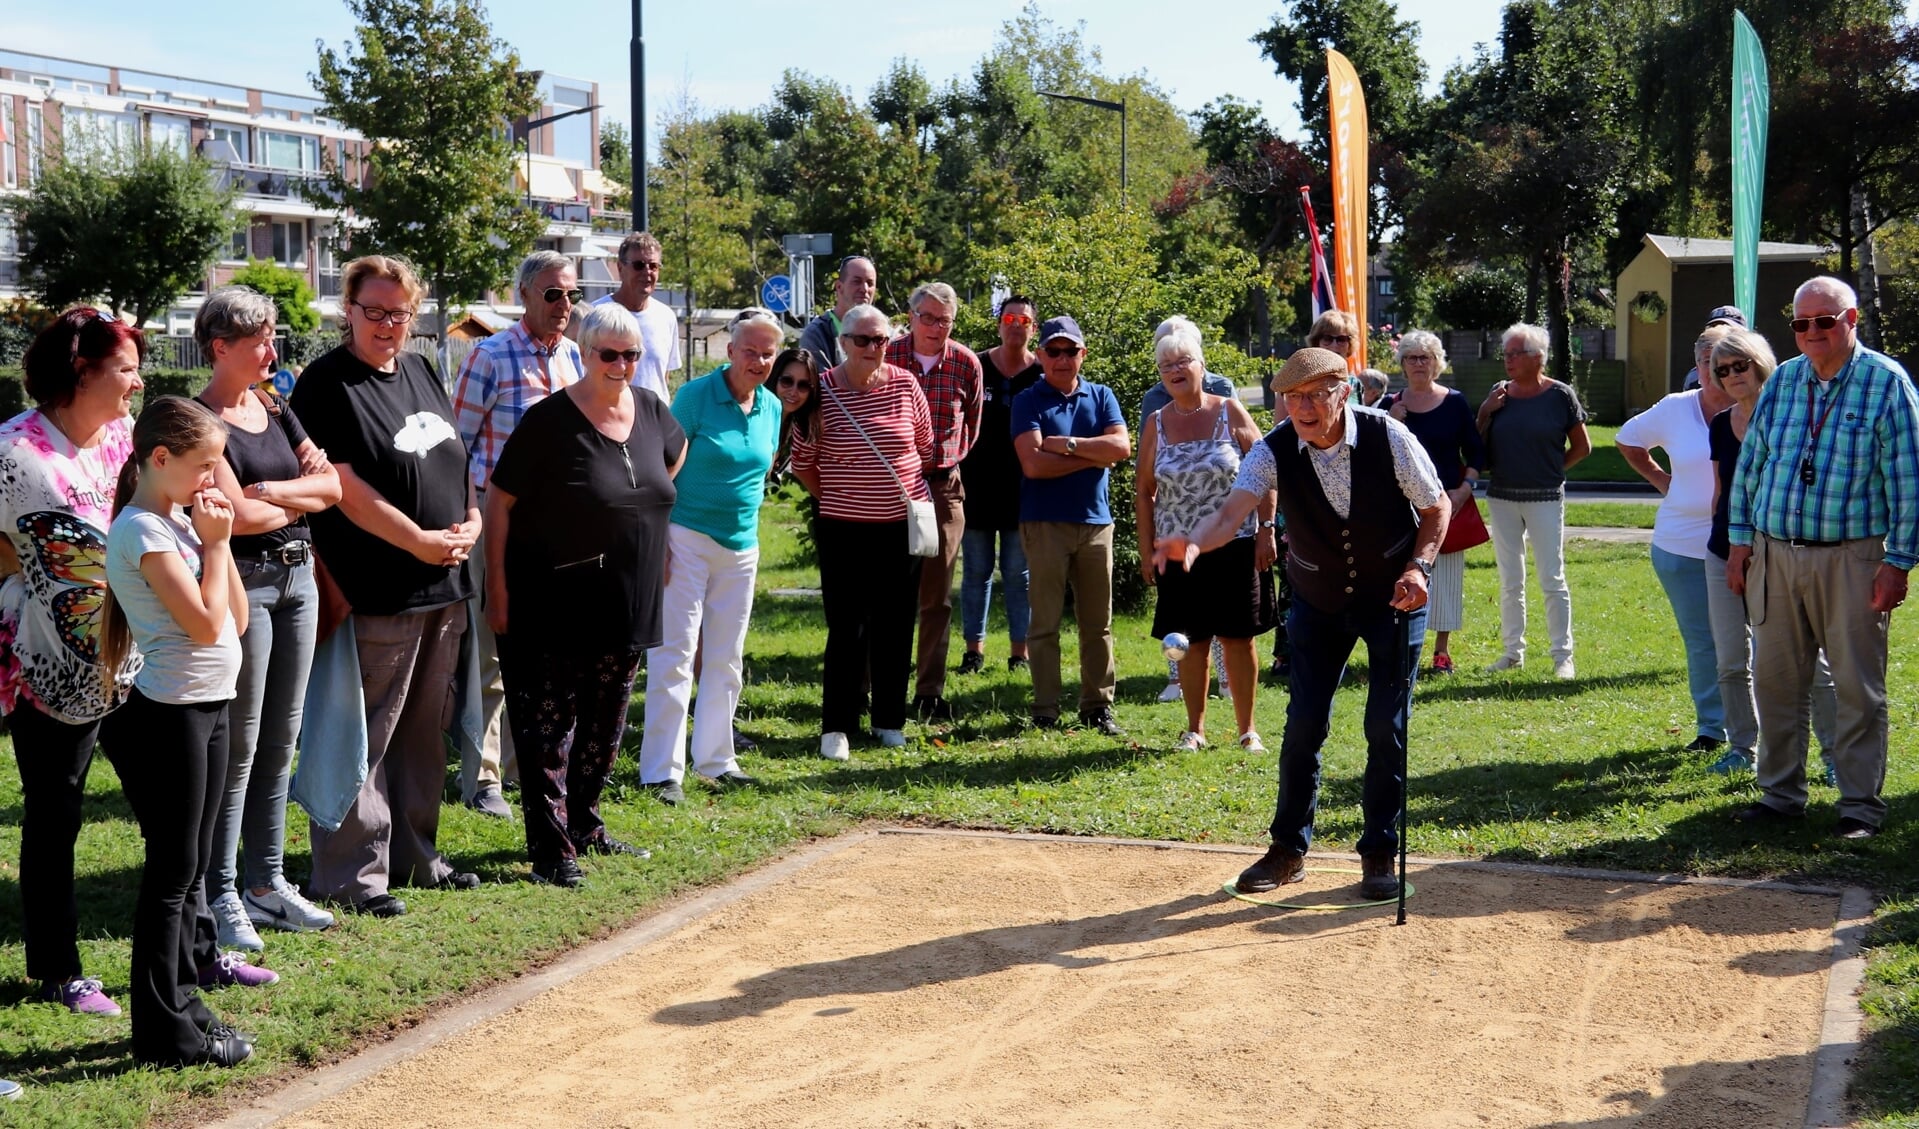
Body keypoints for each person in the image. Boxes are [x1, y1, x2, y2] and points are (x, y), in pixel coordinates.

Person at [1158, 347, 1448, 901]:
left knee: (1386, 727)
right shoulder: (1272, 450)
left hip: (1394, 595)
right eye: (1292, 398)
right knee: (1302, 728)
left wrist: (1419, 567)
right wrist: (1195, 539)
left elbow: (1435, 508)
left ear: (1344, 392)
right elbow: (1231, 511)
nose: (1304, 408)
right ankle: (1287, 850)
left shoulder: (1390, 437)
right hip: (1317, 600)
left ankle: (1380, 852)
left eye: (1316, 395)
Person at [291, 255, 482, 917]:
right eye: (373, 310)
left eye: (398, 312)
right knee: (363, 735)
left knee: (424, 733)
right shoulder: (326, 384)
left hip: (443, 586)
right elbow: (344, 489)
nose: (386, 324)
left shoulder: (424, 370)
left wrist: (473, 518)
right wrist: (421, 542)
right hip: (376, 588)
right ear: (348, 310)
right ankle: (351, 875)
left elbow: (455, 457)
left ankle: (416, 857)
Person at [486, 302, 684, 886]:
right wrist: (496, 585)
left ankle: (585, 824)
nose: (620, 364)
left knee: (606, 720)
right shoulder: (549, 420)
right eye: (608, 354)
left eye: (631, 355)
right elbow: (499, 501)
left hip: (627, 596)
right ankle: (551, 849)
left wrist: (654, 510)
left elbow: (674, 453)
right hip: (553, 599)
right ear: (585, 353)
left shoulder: (650, 408)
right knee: (550, 726)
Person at [102, 395, 270, 1069]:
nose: (214, 480)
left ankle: (185, 1011)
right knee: (171, 876)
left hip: (206, 708)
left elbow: (235, 619)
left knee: (189, 869)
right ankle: (163, 1034)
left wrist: (212, 545)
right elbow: (203, 627)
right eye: (205, 465)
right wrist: (220, 543)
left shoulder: (175, 524)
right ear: (161, 458)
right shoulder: (140, 531)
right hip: (172, 716)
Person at [1726, 276, 1919, 840]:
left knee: (1859, 688)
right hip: (1774, 555)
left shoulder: (1887, 384)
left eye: (1824, 322)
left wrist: (1898, 562)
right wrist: (1741, 545)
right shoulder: (1783, 381)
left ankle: (1859, 807)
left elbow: (1908, 484)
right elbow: (1751, 469)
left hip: (1853, 559)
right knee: (1777, 681)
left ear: (1851, 320)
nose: (1811, 332)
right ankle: (1780, 796)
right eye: (1800, 323)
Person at [0, 308, 142, 1018]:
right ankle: (58, 968)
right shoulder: (14, 453)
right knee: (55, 814)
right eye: (123, 368)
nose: (136, 381)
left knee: (171, 803)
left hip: (138, 651)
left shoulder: (120, 438)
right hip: (46, 664)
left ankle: (195, 946)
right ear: (80, 372)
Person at [192, 288, 341, 953]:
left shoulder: (276, 404)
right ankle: (220, 890)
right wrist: (289, 501)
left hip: (300, 578)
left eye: (272, 336)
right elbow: (236, 518)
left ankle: (267, 882)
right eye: (258, 340)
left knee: (282, 737)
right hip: (246, 584)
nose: (271, 351)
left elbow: (331, 487)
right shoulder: (200, 422)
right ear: (220, 345)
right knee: (242, 745)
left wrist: (275, 493)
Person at [451, 250, 586, 820]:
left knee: (549, 652)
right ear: (525, 295)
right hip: (494, 518)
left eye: (571, 294)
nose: (564, 305)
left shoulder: (575, 357)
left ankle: (525, 765)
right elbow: (455, 450)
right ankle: (481, 780)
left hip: (556, 524)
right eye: (553, 294)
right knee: (490, 650)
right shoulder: (489, 355)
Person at [638, 310, 781, 805]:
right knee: (674, 654)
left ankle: (717, 760)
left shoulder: (771, 406)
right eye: (750, 350)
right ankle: (661, 772)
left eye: (768, 352)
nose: (759, 360)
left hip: (742, 547)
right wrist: (657, 544)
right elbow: (661, 470)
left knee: (725, 657)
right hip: (686, 538)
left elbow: (759, 477)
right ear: (729, 351)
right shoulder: (695, 397)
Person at [791, 303, 932, 760]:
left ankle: (890, 720)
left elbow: (924, 447)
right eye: (864, 340)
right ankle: (837, 725)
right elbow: (804, 463)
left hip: (899, 529)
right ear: (843, 343)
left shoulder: (907, 384)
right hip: (843, 529)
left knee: (895, 624)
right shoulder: (823, 391)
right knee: (846, 628)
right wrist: (840, 496)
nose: (874, 348)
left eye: (882, 340)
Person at [1704, 329, 1839, 776]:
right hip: (1724, 552)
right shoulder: (1721, 424)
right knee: (1729, 661)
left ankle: (1834, 756)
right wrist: (1723, 545)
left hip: (1778, 553)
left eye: (1740, 365)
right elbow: (1722, 492)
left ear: (1760, 362)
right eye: (1722, 370)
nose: (1732, 375)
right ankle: (1741, 747)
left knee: (1809, 663)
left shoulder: (1791, 418)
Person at [1134, 325, 1275, 751]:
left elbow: (1265, 470)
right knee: (1190, 640)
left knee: (1237, 637)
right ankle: (1195, 730)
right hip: (1177, 550)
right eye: (1166, 365)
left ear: (1201, 366)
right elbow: (1143, 491)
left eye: (1183, 361)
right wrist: (1146, 550)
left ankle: (1247, 730)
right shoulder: (1156, 423)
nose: (1175, 370)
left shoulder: (1230, 410)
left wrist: (1267, 529)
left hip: (1235, 545)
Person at [1616, 326, 1736, 756]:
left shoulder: (1756, 404)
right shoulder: (1675, 408)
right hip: (1681, 548)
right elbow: (1627, 440)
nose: (1713, 370)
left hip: (1745, 544)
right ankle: (1712, 730)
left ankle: (1752, 728)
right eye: (1705, 361)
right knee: (1703, 641)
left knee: (1748, 639)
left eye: (1722, 361)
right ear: (1697, 364)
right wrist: (1663, 480)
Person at [1011, 316, 1132, 735]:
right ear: (1041, 354)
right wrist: (1093, 455)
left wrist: (1070, 445)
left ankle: (1097, 706)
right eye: (1054, 351)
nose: (1062, 359)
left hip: (1096, 524)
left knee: (1097, 624)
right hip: (1044, 524)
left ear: (1083, 354)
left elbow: (1121, 447)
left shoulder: (1101, 396)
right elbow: (1033, 464)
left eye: (1071, 351)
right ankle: (1045, 708)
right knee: (1043, 623)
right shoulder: (1028, 400)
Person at [885, 283, 983, 720]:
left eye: (943, 320)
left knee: (937, 594)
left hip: (942, 486)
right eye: (927, 317)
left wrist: (947, 460)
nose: (934, 327)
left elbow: (972, 426)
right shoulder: (886, 353)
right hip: (889, 487)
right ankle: (875, 686)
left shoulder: (966, 363)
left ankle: (928, 691)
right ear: (910, 316)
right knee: (883, 590)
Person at [1478, 322, 1591, 678]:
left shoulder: (1560, 395)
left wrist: (1553, 470)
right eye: (1506, 353)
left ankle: (1562, 657)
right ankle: (1512, 653)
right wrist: (1484, 412)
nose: (1508, 360)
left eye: (1516, 353)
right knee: (1510, 580)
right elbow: (1476, 444)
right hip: (1502, 497)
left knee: (1551, 578)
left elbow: (1582, 447)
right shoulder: (1499, 394)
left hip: (1544, 499)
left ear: (1538, 357)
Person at [1140, 316, 1239, 702]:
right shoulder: (1154, 402)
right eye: (1166, 355)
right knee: (1177, 614)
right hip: (1172, 524)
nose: (1174, 363)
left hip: (1221, 525)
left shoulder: (1223, 392)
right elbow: (1146, 474)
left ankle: (1227, 679)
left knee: (1221, 616)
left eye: (1182, 354)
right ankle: (1176, 678)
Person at [1383, 330, 1484, 674]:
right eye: (1411, 357)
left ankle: (1441, 652)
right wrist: (1391, 423)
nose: (1418, 364)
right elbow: (1374, 455)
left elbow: (1475, 450)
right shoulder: (1390, 405)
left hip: (1447, 503)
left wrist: (1464, 489)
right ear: (1402, 364)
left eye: (1425, 357)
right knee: (1403, 573)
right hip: (1399, 505)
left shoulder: (1454, 402)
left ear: (1437, 363)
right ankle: (1400, 648)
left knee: (1447, 579)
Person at [958, 295, 1042, 676]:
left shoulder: (1042, 372)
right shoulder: (975, 365)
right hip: (975, 488)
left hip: (1022, 491)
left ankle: (1019, 653)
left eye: (1023, 320)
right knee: (975, 571)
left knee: (1017, 574)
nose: (1015, 324)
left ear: (1032, 328)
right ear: (999, 324)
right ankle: (973, 651)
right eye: (1009, 318)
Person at [594, 232, 680, 401]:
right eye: (639, 265)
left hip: (655, 422)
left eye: (653, 266)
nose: (647, 272)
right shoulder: (596, 314)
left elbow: (664, 377)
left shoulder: (666, 317)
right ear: (620, 268)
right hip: (609, 418)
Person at [797, 255, 877, 372]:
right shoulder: (817, 334)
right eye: (857, 282)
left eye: (870, 283)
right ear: (839, 287)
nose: (864, 289)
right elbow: (823, 385)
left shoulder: (884, 334)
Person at [767, 347, 820, 481]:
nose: (793, 391)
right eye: (787, 381)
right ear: (774, 377)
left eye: (803, 385)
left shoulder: (793, 428)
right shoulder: (755, 420)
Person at [1682, 305, 1748, 390]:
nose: (1719, 334)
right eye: (1714, 328)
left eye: (1728, 329)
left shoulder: (1755, 373)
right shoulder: (1694, 378)